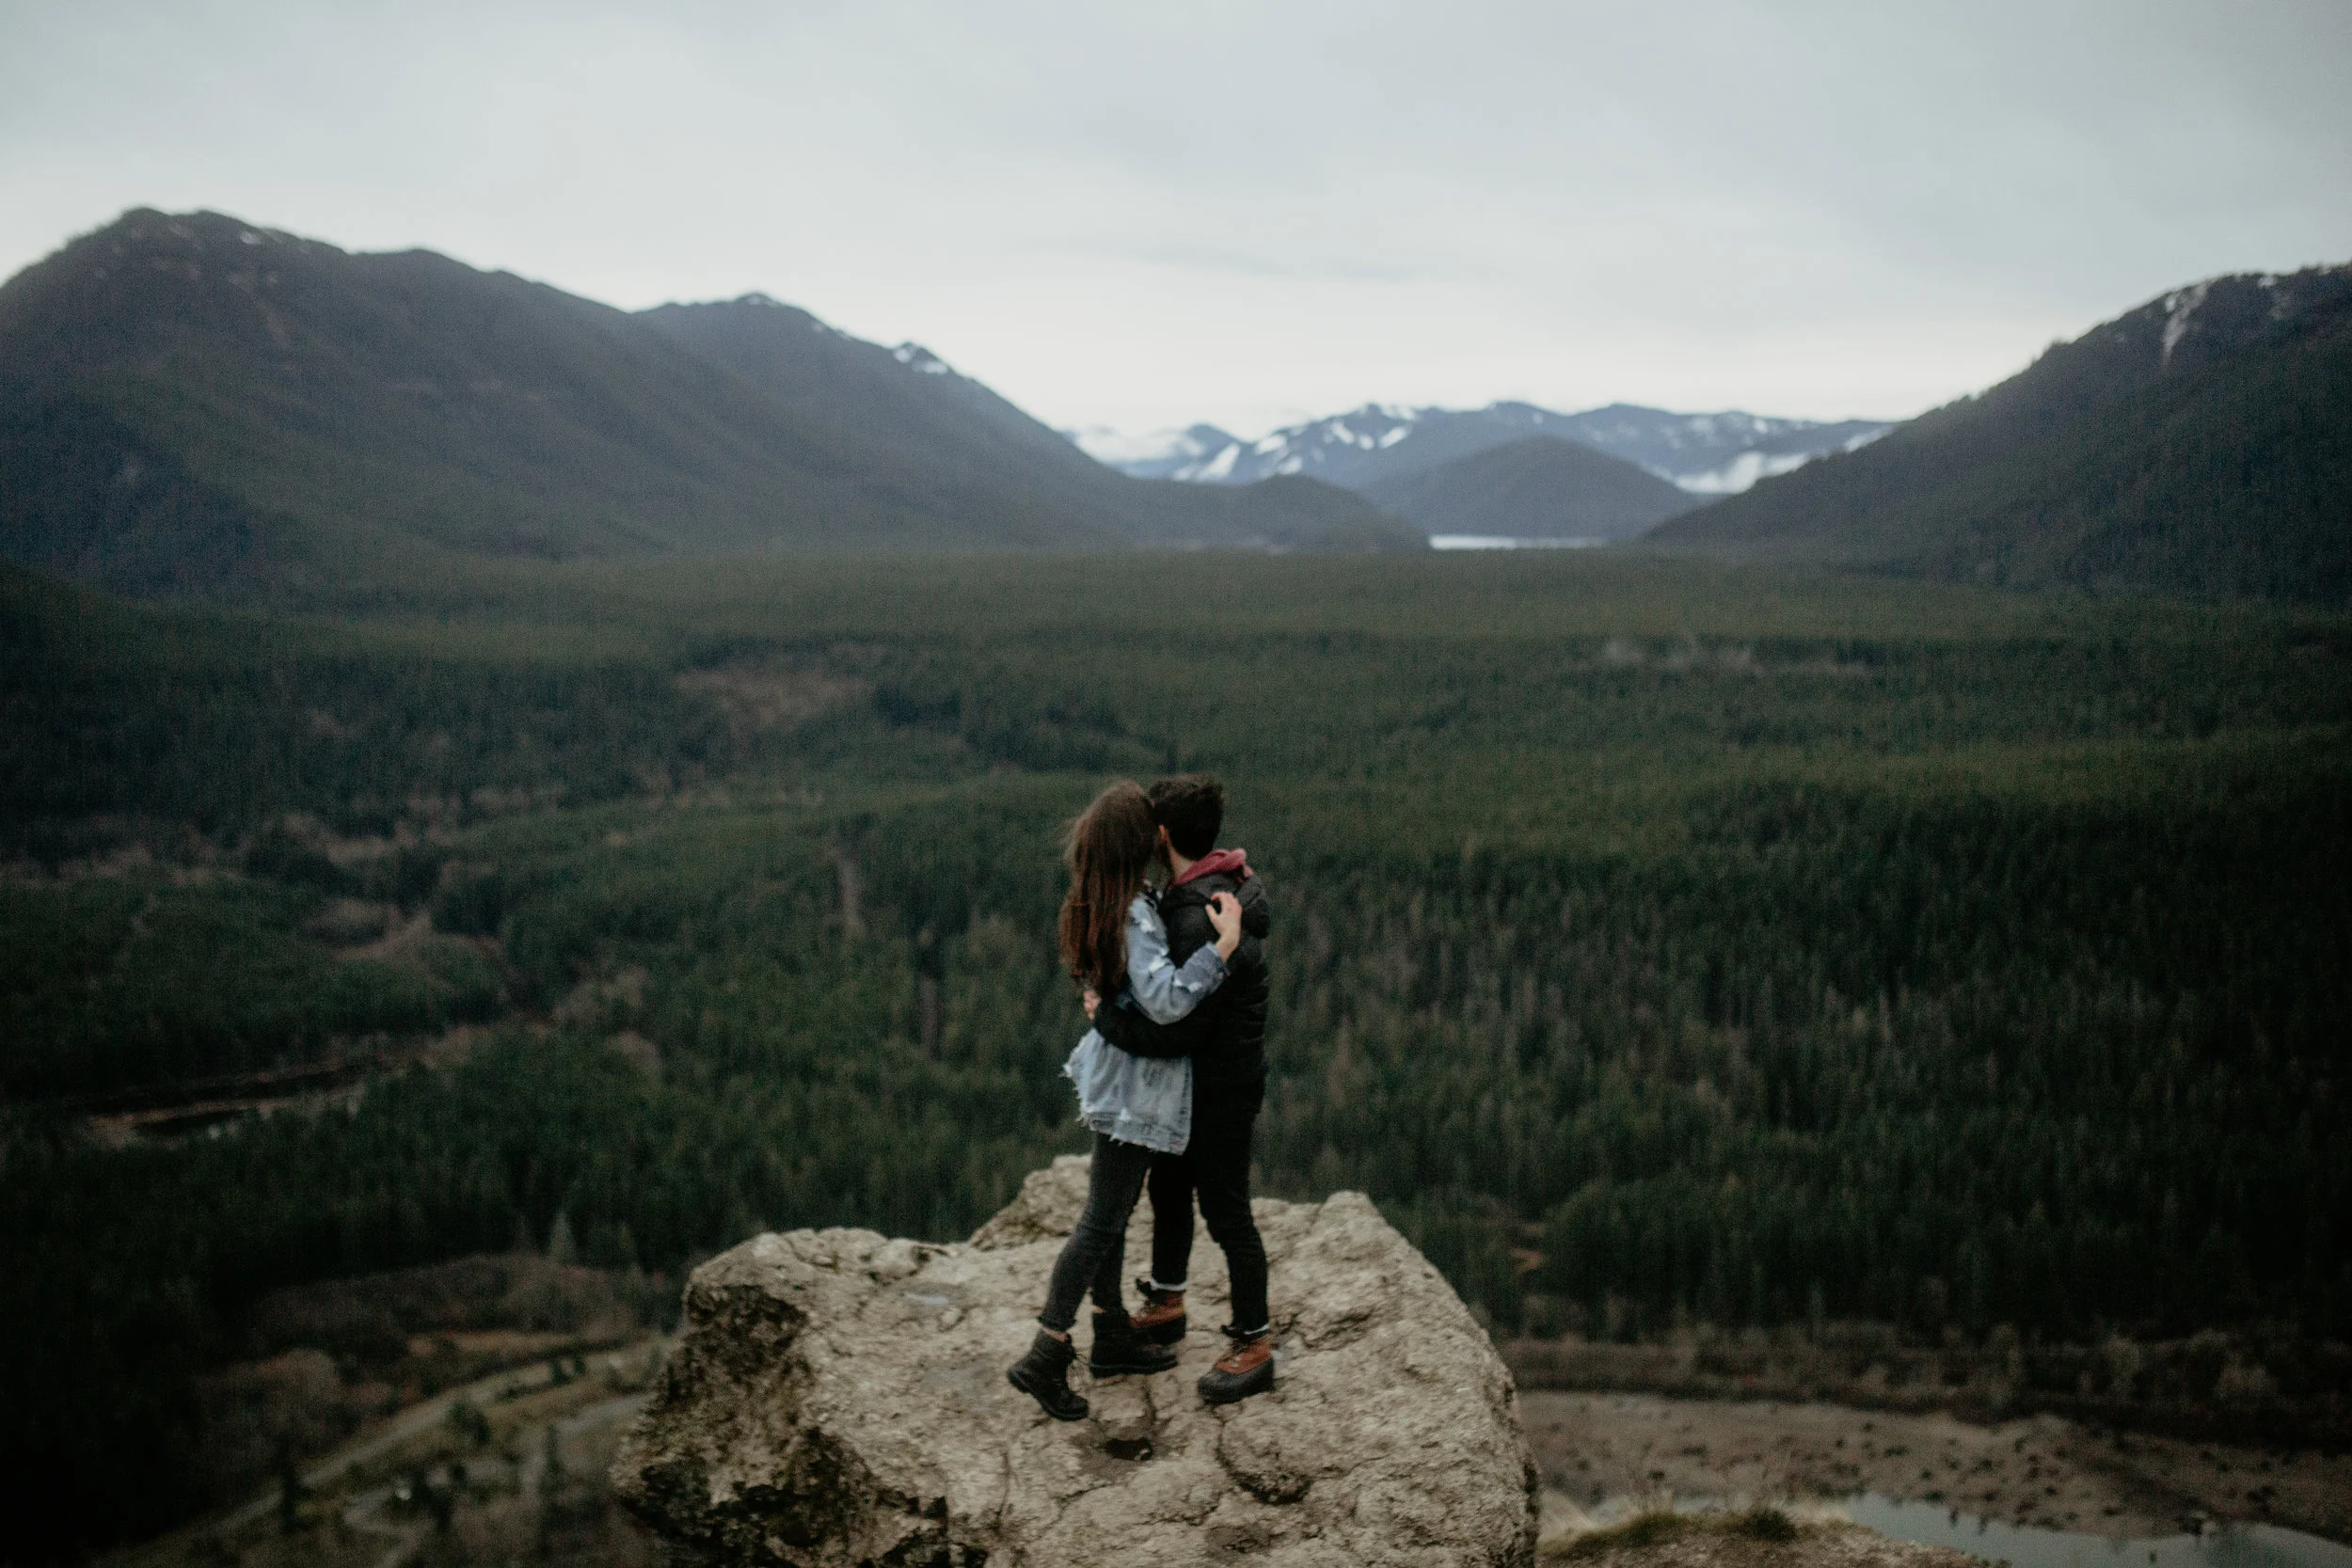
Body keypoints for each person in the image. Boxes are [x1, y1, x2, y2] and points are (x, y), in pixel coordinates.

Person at [1006, 781, 1246, 1422]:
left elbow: (1107, 987)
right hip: (1135, 1089)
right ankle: (1046, 1350)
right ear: (1141, 843)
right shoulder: (1134, 913)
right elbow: (1166, 999)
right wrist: (1221, 949)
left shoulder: (1094, 898)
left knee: (1107, 1213)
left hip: (1114, 1076)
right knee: (1100, 1221)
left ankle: (1110, 1328)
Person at [1087, 774, 1276, 1405]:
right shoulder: (1211, 890)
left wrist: (1104, 1019)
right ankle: (1168, 1300)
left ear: (1160, 835)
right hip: (1207, 1083)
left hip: (1219, 1089)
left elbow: (1176, 1030)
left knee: (1226, 1211)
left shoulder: (1197, 918)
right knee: (1169, 1188)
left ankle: (1255, 1340)